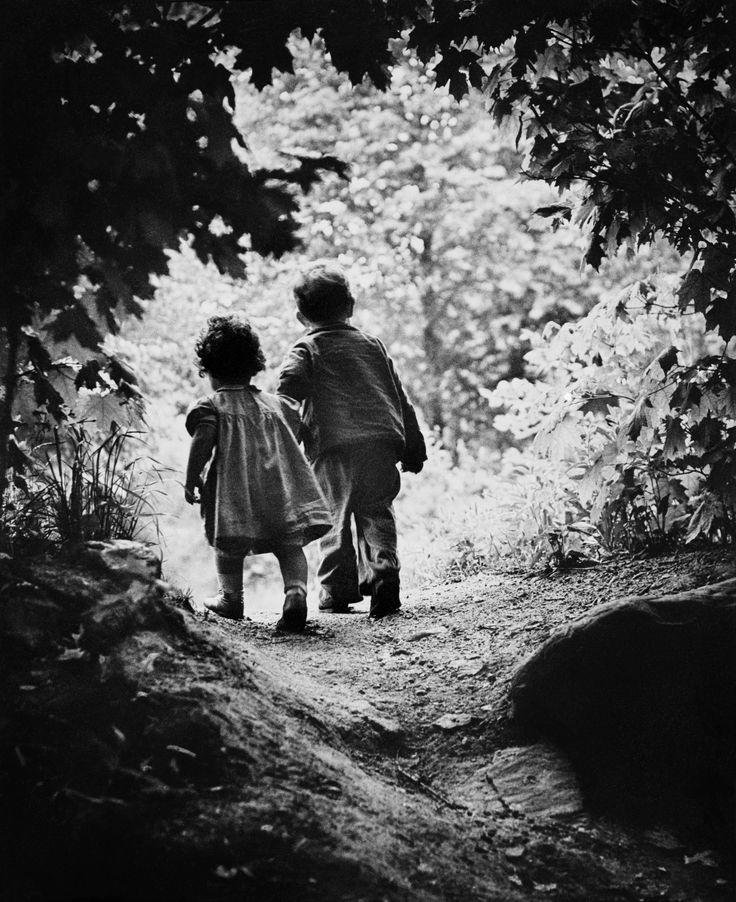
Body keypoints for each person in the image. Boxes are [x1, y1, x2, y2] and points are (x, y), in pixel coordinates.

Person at [277, 263, 426, 619]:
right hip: (380, 444)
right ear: (352, 305)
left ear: (301, 317)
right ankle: (384, 571)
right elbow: (399, 397)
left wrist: (287, 435)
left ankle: (335, 590)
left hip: (333, 449)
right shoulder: (373, 345)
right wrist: (413, 446)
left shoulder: (306, 349)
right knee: (377, 512)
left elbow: (287, 390)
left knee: (333, 519)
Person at [184, 315, 331, 632]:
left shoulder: (212, 407)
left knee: (227, 547)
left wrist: (191, 477)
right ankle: (296, 594)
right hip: (281, 489)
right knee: (290, 544)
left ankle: (231, 599)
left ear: (209, 370)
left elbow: (202, 442)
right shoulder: (276, 404)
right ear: (253, 365)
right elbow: (301, 429)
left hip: (234, 493)